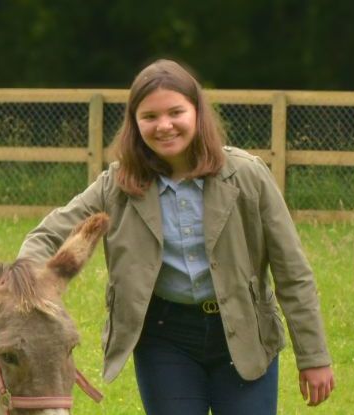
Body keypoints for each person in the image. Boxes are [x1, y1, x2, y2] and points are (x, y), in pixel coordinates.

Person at [18, 58, 334, 414]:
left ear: (197, 113)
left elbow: (293, 272)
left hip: (246, 333)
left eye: (175, 112)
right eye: (149, 117)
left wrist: (314, 355)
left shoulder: (248, 175)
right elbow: (46, 236)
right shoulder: (115, 186)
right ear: (135, 124)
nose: (164, 126)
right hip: (164, 339)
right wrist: (25, 286)